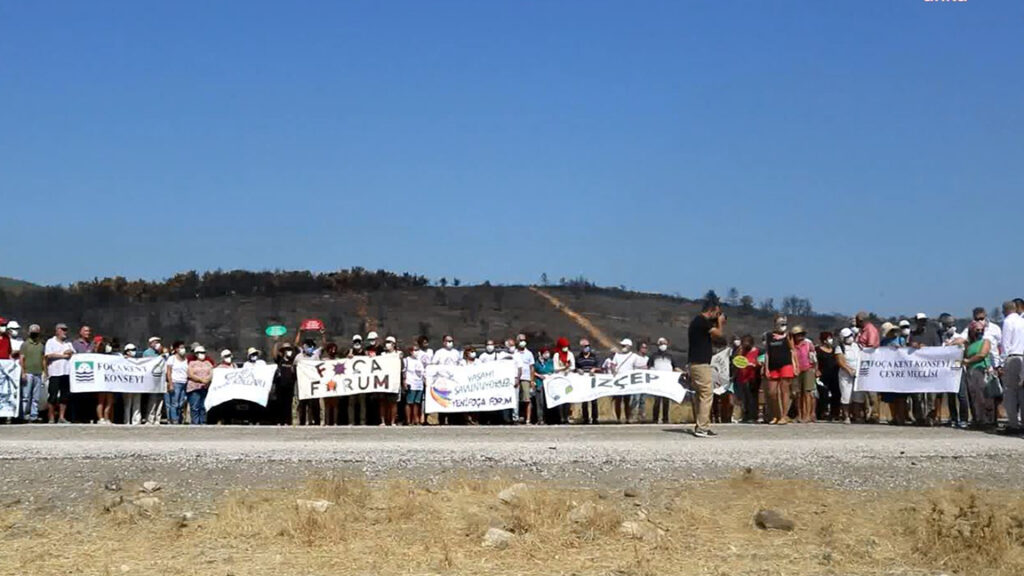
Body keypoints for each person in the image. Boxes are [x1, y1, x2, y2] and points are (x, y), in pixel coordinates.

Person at [689, 301, 724, 437]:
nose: (717, 315)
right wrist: (720, 322)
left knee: (700, 395)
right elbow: (719, 335)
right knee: (706, 393)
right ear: (712, 310)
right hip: (701, 363)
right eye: (717, 313)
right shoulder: (702, 321)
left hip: (695, 362)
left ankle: (701, 423)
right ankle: (702, 427)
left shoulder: (696, 322)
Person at [907, 312, 941, 426]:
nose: (922, 323)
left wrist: (926, 348)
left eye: (924, 321)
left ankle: (930, 417)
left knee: (931, 395)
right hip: (916, 369)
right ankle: (919, 417)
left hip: (930, 368)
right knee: (917, 396)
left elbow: (938, 348)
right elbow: (907, 347)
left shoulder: (933, 333)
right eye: (920, 321)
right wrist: (912, 345)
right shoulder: (912, 334)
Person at [763, 316, 794, 425]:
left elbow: (792, 350)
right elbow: (767, 352)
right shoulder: (768, 336)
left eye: (784, 322)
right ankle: (776, 414)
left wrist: (795, 365)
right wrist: (766, 367)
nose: (782, 324)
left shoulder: (789, 335)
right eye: (780, 322)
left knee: (784, 390)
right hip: (772, 365)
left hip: (786, 364)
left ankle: (784, 416)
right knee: (772, 392)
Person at [964, 321, 995, 428]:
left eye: (982, 330)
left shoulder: (986, 341)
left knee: (984, 396)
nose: (980, 332)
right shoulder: (969, 345)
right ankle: (978, 418)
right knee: (974, 396)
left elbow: (982, 354)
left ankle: (988, 420)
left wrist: (968, 361)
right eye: (977, 330)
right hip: (971, 371)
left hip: (982, 370)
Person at [610, 338, 648, 423]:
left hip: (628, 381)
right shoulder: (617, 355)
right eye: (622, 345)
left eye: (624, 345)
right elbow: (612, 365)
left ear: (629, 346)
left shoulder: (633, 356)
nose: (622, 347)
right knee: (618, 401)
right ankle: (618, 418)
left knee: (627, 401)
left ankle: (627, 418)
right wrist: (613, 370)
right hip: (618, 381)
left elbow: (641, 365)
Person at [1000, 301, 1024, 433]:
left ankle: (1013, 423)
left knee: (1010, 392)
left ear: (1005, 310)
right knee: (1022, 392)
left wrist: (1002, 362)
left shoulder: (1008, 322)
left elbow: (1006, 343)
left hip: (1013, 356)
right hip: (1023, 356)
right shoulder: (1022, 321)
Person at [879, 322, 910, 425]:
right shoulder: (883, 342)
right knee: (890, 397)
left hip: (900, 372)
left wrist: (901, 349)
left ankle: (901, 417)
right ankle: (894, 416)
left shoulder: (901, 340)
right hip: (889, 372)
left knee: (901, 397)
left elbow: (906, 352)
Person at [44, 323, 74, 424]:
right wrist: (63, 356)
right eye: (62, 330)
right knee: (53, 395)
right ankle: (51, 417)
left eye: (65, 330)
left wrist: (70, 353)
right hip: (55, 372)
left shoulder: (68, 343)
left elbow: (72, 354)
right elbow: (48, 355)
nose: (64, 332)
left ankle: (61, 417)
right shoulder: (50, 342)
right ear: (57, 331)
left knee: (64, 396)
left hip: (66, 372)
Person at [649, 337, 681, 424]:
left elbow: (675, 368)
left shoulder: (670, 356)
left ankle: (665, 419)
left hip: (667, 382)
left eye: (665, 343)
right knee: (657, 401)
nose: (663, 345)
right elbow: (649, 368)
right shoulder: (653, 356)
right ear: (658, 344)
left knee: (666, 401)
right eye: (662, 343)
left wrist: (683, 372)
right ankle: (655, 419)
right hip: (657, 382)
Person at [790, 326, 817, 423]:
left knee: (807, 393)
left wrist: (815, 369)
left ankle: (807, 414)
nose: (800, 337)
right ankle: (799, 414)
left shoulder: (808, 344)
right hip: (796, 370)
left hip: (808, 369)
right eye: (797, 335)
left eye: (801, 334)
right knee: (797, 394)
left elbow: (814, 358)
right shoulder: (791, 345)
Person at [19, 324, 45, 422]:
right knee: (26, 396)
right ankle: (24, 415)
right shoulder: (25, 344)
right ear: (29, 333)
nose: (34, 334)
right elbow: (21, 359)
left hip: (38, 372)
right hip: (28, 372)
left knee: (36, 396)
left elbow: (43, 359)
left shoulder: (41, 345)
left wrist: (44, 371)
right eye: (33, 332)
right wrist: (23, 372)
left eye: (36, 332)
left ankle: (34, 415)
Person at [732, 335, 760, 423]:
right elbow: (736, 361)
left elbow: (761, 362)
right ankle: (746, 415)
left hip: (752, 377)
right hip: (742, 377)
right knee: (744, 398)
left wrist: (754, 364)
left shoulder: (758, 351)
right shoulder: (741, 351)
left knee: (752, 397)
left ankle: (753, 416)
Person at [835, 328, 860, 424]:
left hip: (857, 374)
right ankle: (846, 416)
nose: (850, 338)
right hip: (845, 375)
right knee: (846, 395)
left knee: (857, 396)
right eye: (847, 337)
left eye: (851, 335)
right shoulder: (840, 347)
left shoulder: (856, 346)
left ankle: (857, 415)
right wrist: (849, 370)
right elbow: (840, 361)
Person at [575, 338, 601, 424]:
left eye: (587, 346)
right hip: (583, 381)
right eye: (584, 346)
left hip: (592, 381)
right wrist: (578, 370)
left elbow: (599, 367)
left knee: (594, 400)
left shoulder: (594, 356)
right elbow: (575, 367)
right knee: (584, 401)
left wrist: (594, 369)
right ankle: (585, 418)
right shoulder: (578, 357)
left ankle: (595, 418)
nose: (586, 348)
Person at [815, 332, 840, 421]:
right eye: (829, 338)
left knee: (836, 394)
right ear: (824, 340)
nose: (831, 340)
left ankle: (835, 413)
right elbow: (815, 361)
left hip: (834, 374)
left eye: (831, 338)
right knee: (823, 394)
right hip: (822, 375)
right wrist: (816, 370)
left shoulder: (835, 350)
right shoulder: (817, 349)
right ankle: (822, 412)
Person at [185, 346, 212, 425]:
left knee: (203, 406)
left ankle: (203, 421)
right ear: (196, 354)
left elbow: (211, 373)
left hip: (205, 388)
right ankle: (195, 422)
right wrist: (201, 380)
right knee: (195, 406)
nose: (202, 354)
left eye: (203, 353)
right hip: (194, 388)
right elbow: (190, 374)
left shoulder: (208, 363)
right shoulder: (191, 363)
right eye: (200, 353)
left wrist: (207, 380)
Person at [512, 335, 536, 425]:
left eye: (524, 340)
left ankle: (528, 419)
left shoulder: (529, 353)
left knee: (527, 400)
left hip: (526, 378)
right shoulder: (514, 353)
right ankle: (516, 418)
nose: (523, 342)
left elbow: (532, 367)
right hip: (515, 378)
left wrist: (532, 380)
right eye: (521, 340)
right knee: (515, 399)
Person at [141, 336, 165, 424]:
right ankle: (150, 418)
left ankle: (158, 418)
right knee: (152, 400)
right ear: (151, 344)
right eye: (155, 342)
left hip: (161, 379)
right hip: (152, 379)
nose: (157, 344)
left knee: (160, 400)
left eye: (158, 342)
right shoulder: (147, 352)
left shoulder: (161, 352)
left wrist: (161, 353)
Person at [120, 343, 145, 425]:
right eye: (131, 350)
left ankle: (136, 421)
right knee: (127, 404)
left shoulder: (138, 361)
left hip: (137, 385)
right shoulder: (122, 360)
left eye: (134, 350)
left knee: (137, 404)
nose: (133, 352)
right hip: (127, 386)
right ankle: (126, 421)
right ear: (126, 351)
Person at [551, 337, 575, 424]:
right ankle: (560, 417)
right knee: (560, 399)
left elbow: (573, 367)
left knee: (567, 399)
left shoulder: (570, 354)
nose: (566, 348)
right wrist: (564, 368)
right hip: (559, 379)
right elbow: (555, 368)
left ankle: (567, 416)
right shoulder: (556, 355)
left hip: (568, 379)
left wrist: (568, 369)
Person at [379, 336, 401, 426]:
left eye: (389, 342)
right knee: (383, 402)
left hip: (394, 381)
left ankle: (392, 421)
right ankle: (383, 421)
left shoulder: (398, 354)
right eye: (386, 342)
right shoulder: (382, 355)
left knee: (393, 403)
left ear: (394, 344)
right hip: (383, 381)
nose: (387, 344)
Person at [402, 344, 425, 426]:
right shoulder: (406, 360)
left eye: (417, 350)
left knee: (417, 403)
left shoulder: (420, 360)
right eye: (414, 350)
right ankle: (408, 420)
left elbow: (423, 373)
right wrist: (404, 382)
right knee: (409, 402)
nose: (416, 352)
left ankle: (415, 419)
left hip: (419, 383)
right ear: (410, 351)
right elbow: (404, 372)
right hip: (410, 383)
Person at [533, 348, 554, 424]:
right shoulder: (537, 362)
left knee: (548, 402)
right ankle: (540, 419)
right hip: (540, 383)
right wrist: (539, 375)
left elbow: (553, 370)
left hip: (549, 384)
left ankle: (549, 419)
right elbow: (533, 371)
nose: (547, 354)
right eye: (545, 353)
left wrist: (551, 373)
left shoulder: (550, 361)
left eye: (548, 353)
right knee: (540, 402)